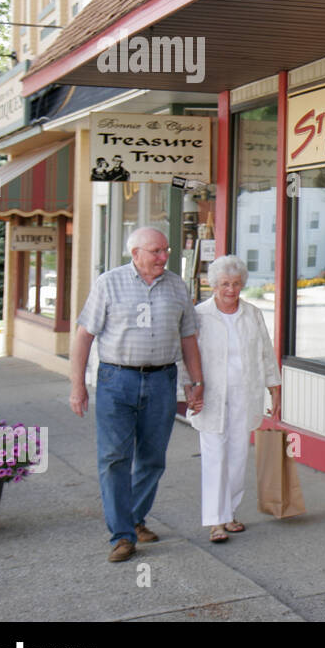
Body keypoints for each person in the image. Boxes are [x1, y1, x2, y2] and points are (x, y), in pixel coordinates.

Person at [69, 226, 204, 563]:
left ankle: (134, 518)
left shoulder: (177, 286)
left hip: (161, 380)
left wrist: (195, 382)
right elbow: (83, 336)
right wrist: (77, 386)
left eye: (166, 250)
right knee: (114, 458)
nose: (163, 257)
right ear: (135, 253)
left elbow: (188, 339)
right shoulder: (108, 283)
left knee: (152, 458)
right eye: (155, 251)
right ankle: (122, 535)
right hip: (117, 380)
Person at [181, 256, 282, 543]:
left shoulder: (252, 314)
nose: (231, 289)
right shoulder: (199, 315)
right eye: (225, 284)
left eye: (236, 284)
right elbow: (187, 356)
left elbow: (265, 351)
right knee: (215, 456)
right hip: (210, 395)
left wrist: (274, 387)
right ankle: (215, 521)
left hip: (245, 392)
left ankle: (230, 512)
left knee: (238, 455)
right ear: (213, 285)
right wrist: (188, 390)